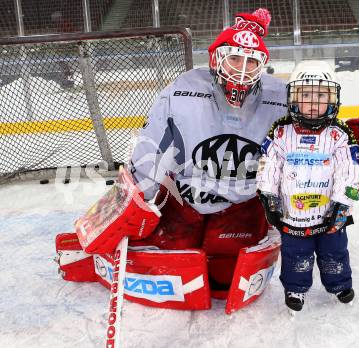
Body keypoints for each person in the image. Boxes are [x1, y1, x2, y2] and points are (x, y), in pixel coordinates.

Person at [56, 8, 288, 303]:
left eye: (251, 61)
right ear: (217, 57)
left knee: (223, 281)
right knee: (168, 251)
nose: (242, 70)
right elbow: (153, 146)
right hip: (185, 198)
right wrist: (136, 198)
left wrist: (353, 143)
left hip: (241, 204)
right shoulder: (185, 89)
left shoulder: (280, 95)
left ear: (262, 64)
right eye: (235, 59)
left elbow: (315, 129)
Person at [257, 60, 359, 312]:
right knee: (296, 255)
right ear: (294, 97)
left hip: (330, 213)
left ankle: (339, 283)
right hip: (293, 215)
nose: (313, 102)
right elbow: (268, 164)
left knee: (334, 253)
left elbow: (348, 172)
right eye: (306, 94)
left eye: (321, 95)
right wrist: (269, 196)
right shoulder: (280, 131)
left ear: (333, 98)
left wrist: (342, 204)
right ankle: (295, 287)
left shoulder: (340, 134)